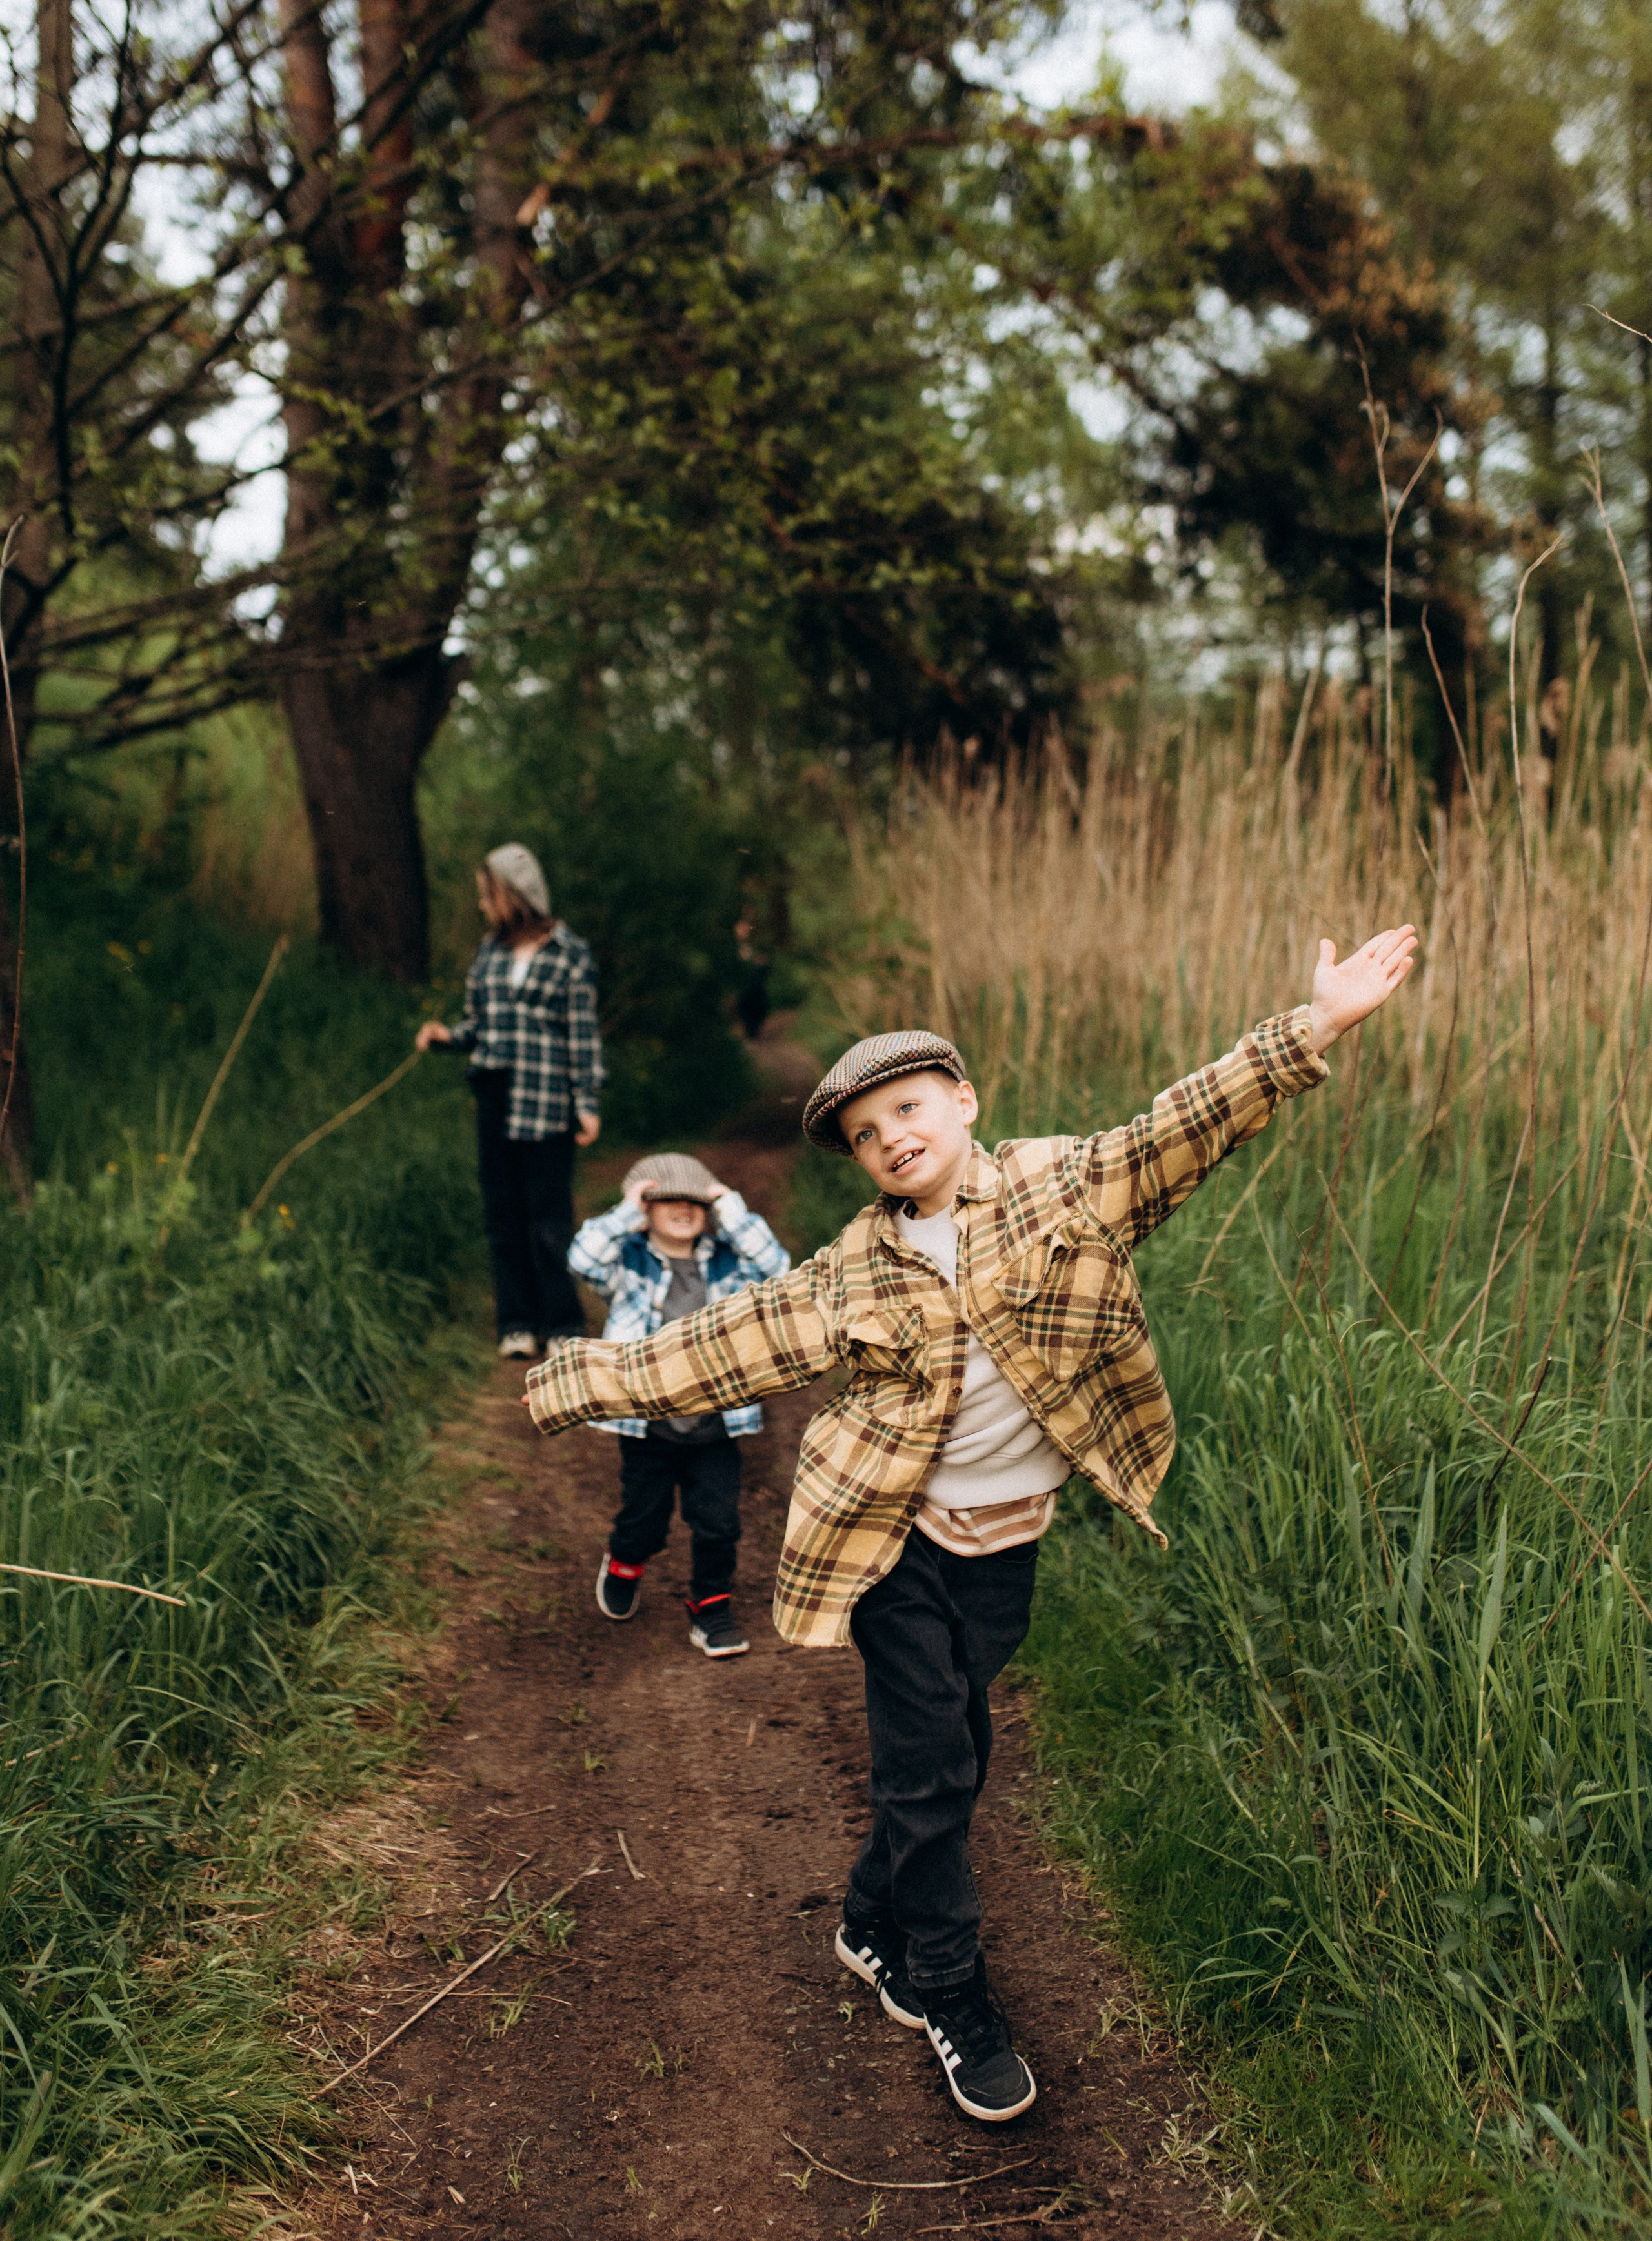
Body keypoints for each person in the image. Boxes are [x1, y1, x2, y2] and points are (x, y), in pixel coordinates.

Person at [523, 927, 1417, 2123]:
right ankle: (949, 1988)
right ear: (860, 1159)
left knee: (964, 1759)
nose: (893, 1136)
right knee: (933, 1765)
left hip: (1010, 1545)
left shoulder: (1060, 1186)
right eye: (866, 1133)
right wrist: (568, 1380)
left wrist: (1317, 1025)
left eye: (908, 1108)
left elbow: (1180, 1125)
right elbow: (720, 1343)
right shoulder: (853, 1272)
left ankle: (867, 1921)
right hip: (894, 1545)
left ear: (962, 1101)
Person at [569, 1152, 790, 1659]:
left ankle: (711, 1611)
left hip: (715, 1421)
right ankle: (625, 1561)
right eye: (666, 1199)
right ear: (645, 1208)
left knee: (719, 1522)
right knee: (643, 1518)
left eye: (695, 1200)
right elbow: (582, 1258)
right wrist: (626, 1211)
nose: (682, 1208)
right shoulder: (628, 1261)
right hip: (648, 1423)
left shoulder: (728, 1261)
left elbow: (779, 1273)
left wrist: (733, 1212)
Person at [416, 843, 603, 1356]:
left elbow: (582, 1034)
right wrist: (446, 1037)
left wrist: (586, 1101)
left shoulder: (569, 953)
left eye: (487, 894)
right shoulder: (488, 954)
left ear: (513, 894)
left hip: (547, 1101)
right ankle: (516, 1323)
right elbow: (480, 1024)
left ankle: (563, 1323)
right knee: (503, 1215)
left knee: (549, 1217)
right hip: (495, 1096)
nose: (481, 905)